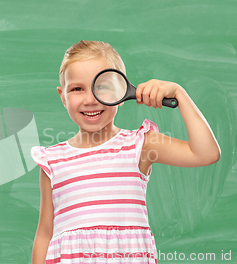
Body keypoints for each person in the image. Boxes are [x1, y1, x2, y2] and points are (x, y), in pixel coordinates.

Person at [30, 40, 220, 264]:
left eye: (102, 86)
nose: (90, 99)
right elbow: (44, 233)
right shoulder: (51, 161)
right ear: (63, 96)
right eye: (77, 89)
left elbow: (206, 153)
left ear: (121, 93)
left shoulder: (140, 145)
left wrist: (179, 94)